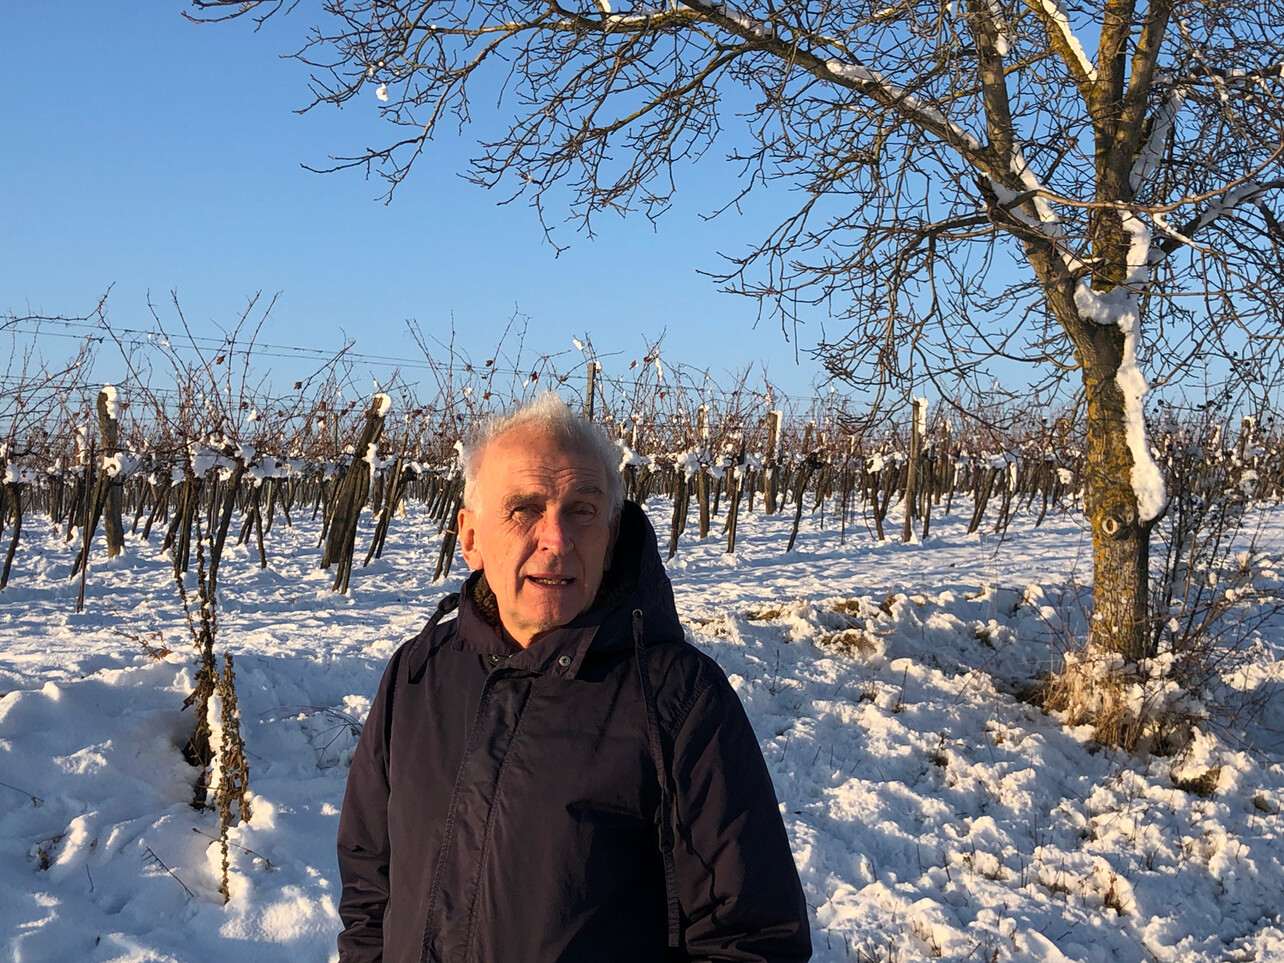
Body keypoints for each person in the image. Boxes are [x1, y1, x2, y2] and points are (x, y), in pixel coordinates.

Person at [336, 393, 812, 963]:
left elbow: (752, 939)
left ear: (610, 536)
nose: (556, 540)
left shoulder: (679, 702)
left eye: (581, 511)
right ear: (469, 538)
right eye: (524, 509)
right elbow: (370, 884)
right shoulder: (418, 674)